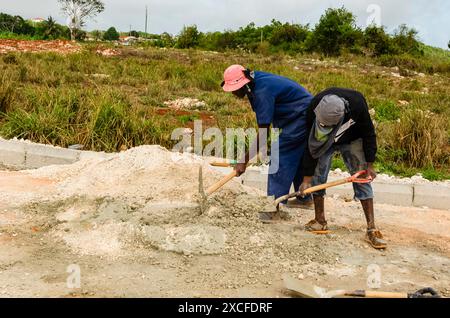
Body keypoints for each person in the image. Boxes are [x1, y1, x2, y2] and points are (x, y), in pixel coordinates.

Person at [299, 87, 387, 249]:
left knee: (362, 178)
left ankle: (371, 228)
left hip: (351, 138)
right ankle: (320, 221)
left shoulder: (357, 105)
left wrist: (369, 164)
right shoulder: (314, 108)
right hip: (323, 140)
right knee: (318, 175)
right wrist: (306, 179)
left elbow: (369, 133)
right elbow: (310, 147)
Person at [221, 65, 313, 211]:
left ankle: (274, 206)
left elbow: (264, 134)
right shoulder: (255, 81)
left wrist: (243, 161)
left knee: (280, 156)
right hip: (300, 114)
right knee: (295, 156)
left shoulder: (262, 91)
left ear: (243, 84)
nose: (233, 92)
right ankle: (305, 198)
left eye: (234, 89)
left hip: (301, 117)